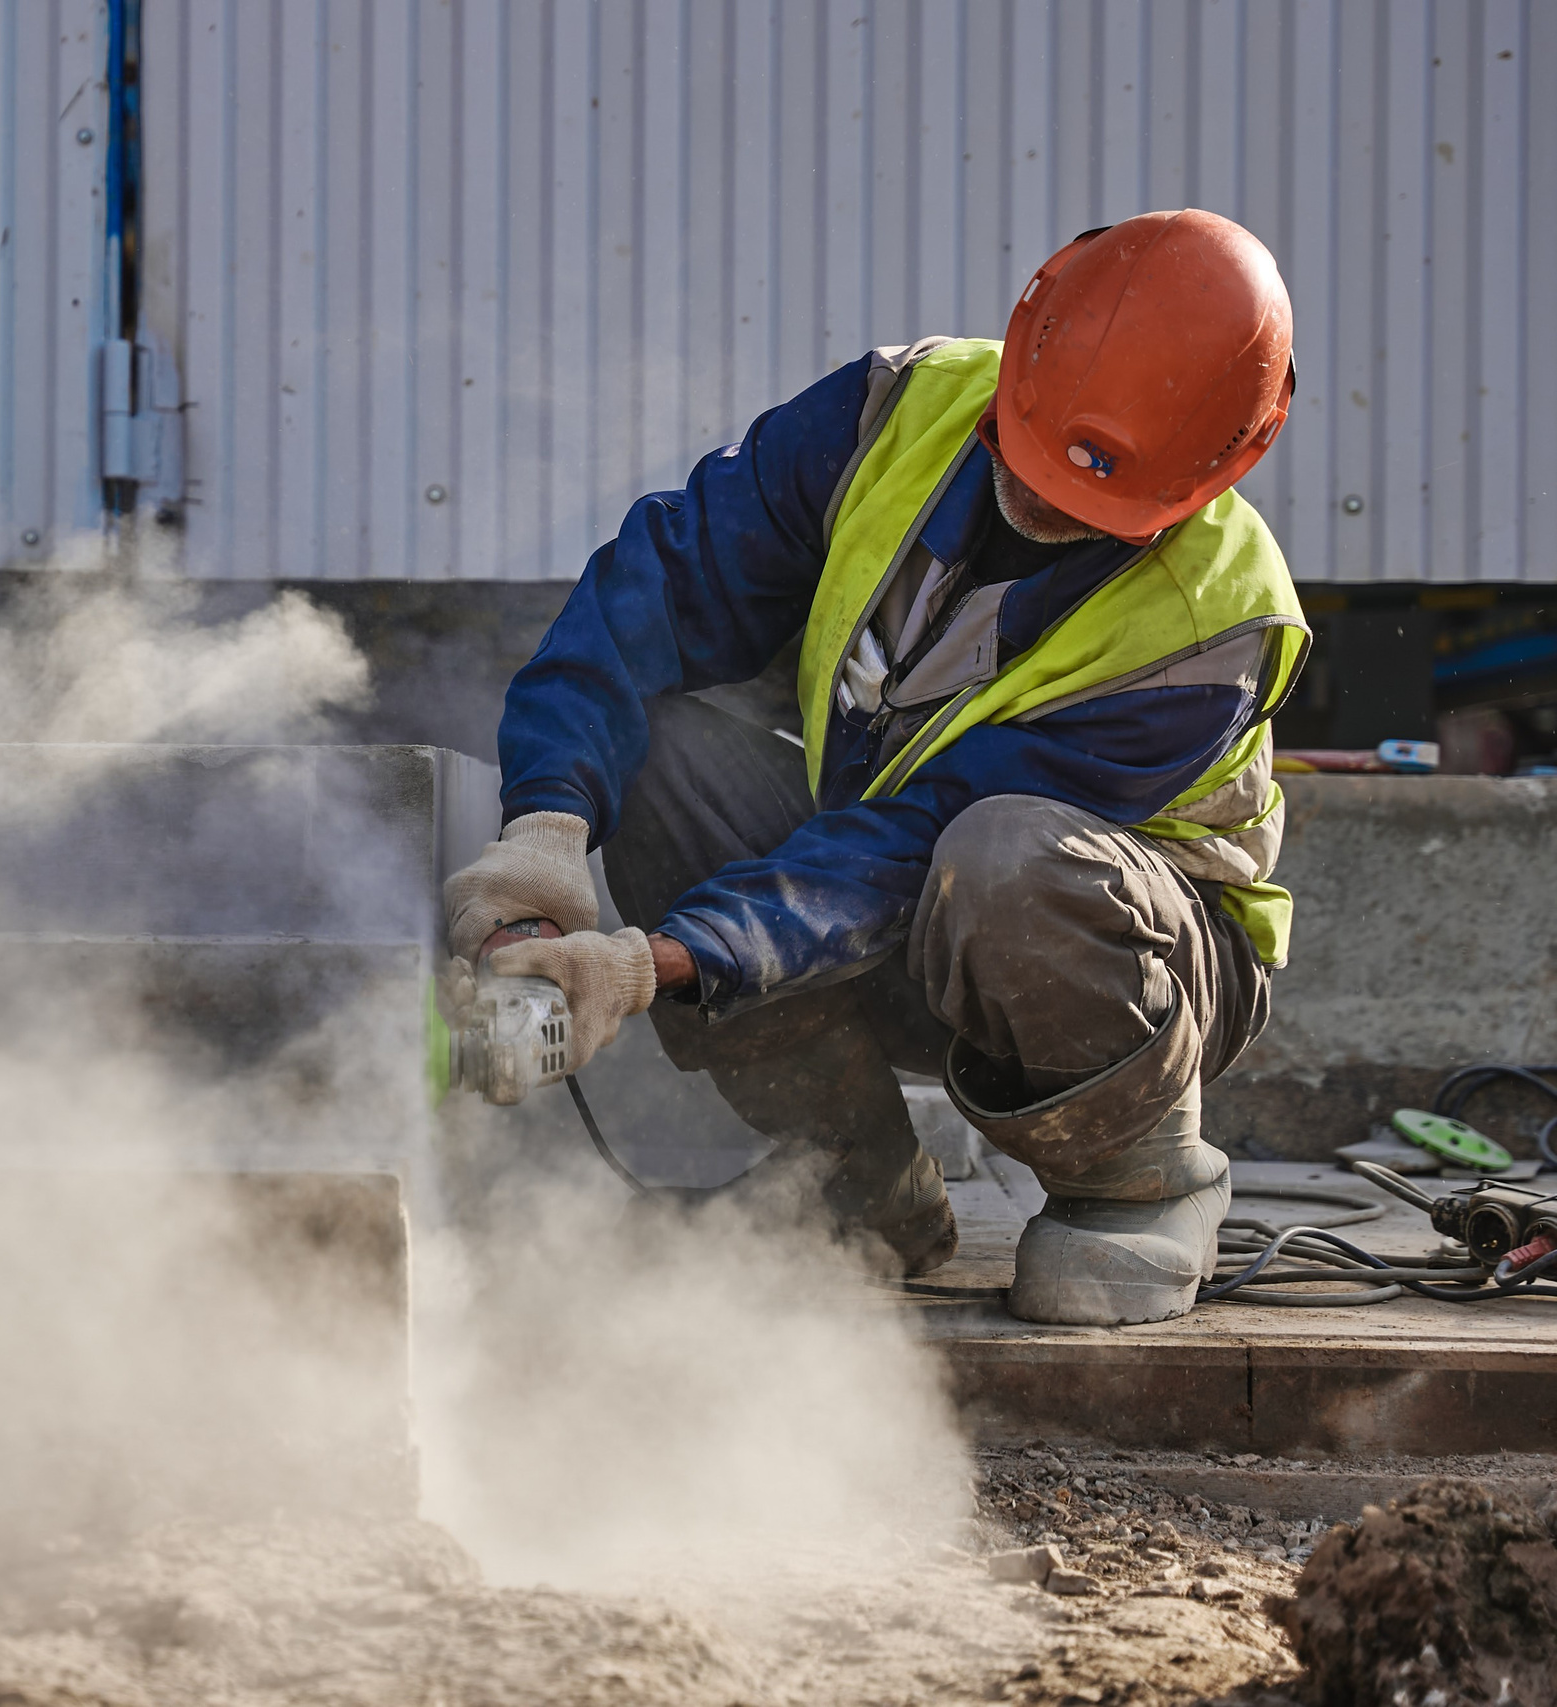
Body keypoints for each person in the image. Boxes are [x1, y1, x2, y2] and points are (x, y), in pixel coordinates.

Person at [444, 210, 1304, 1326]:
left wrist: (648, 965)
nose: (1045, 498)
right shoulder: (893, 413)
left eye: (1090, 499)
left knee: (1004, 854)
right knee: (662, 755)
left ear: (1213, 471)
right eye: (1031, 452)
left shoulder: (1213, 626)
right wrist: (546, 831)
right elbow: (660, 591)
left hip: (1121, 971)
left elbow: (908, 850)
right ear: (1024, 350)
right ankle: (855, 1181)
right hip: (896, 904)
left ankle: (1137, 1181)